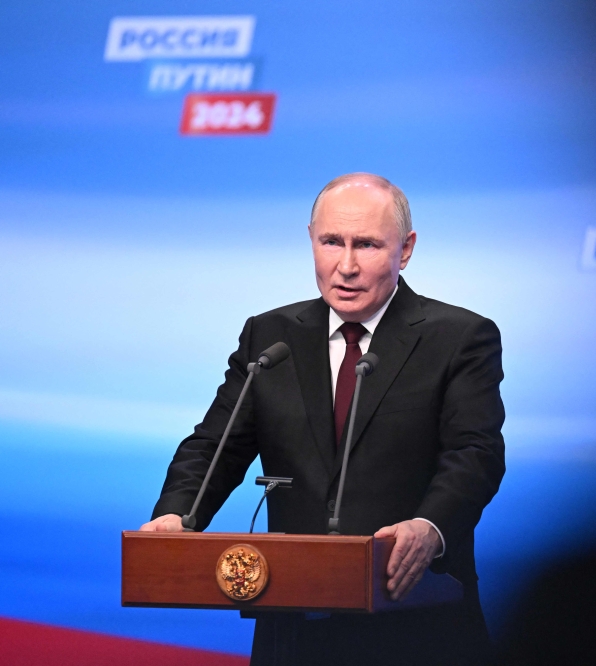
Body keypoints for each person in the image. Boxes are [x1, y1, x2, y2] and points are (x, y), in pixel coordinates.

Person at [140, 173, 505, 665]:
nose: (346, 266)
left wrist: (429, 526)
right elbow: (216, 445)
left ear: (407, 249)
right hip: (292, 631)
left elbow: (475, 453)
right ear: (311, 239)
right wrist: (178, 515)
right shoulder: (271, 337)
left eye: (368, 245)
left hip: (416, 622)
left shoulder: (460, 338)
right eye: (331, 242)